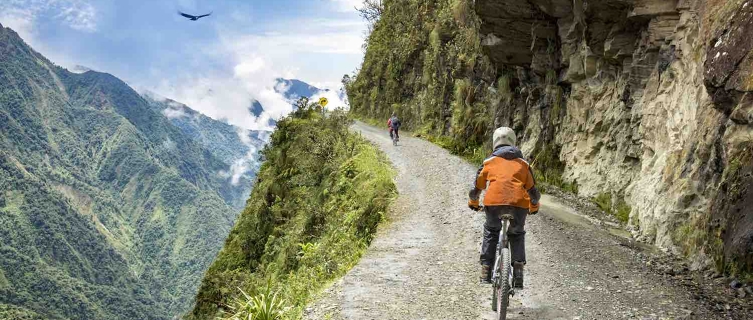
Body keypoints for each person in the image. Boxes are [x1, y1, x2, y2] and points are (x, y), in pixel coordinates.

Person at [468, 127, 540, 288]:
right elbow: (533, 192)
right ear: (513, 142)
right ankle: (519, 272)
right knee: (517, 233)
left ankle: (486, 270)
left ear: (495, 143)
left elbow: (476, 188)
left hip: (493, 204)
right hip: (518, 205)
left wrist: (473, 202)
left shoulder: (488, 163)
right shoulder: (524, 164)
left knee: (491, 231)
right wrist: (534, 206)